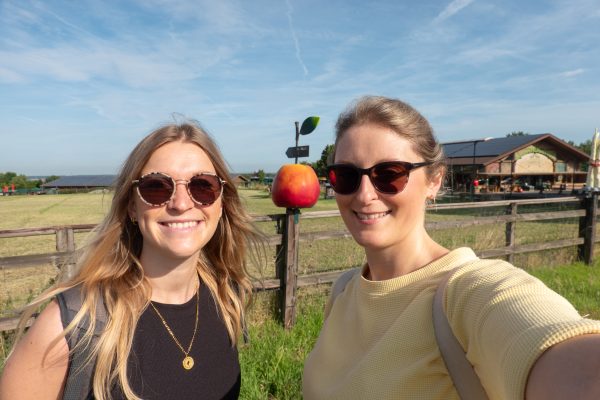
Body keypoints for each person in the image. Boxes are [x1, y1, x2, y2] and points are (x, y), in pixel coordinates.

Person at [302, 96, 600, 399]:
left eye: (389, 174)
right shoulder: (343, 291)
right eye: (347, 176)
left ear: (434, 180)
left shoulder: (469, 293)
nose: (364, 195)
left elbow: (565, 356)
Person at [0, 121, 264, 399]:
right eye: (157, 187)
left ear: (221, 203)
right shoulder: (71, 326)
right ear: (132, 207)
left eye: (203, 186)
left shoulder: (227, 300)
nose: (181, 203)